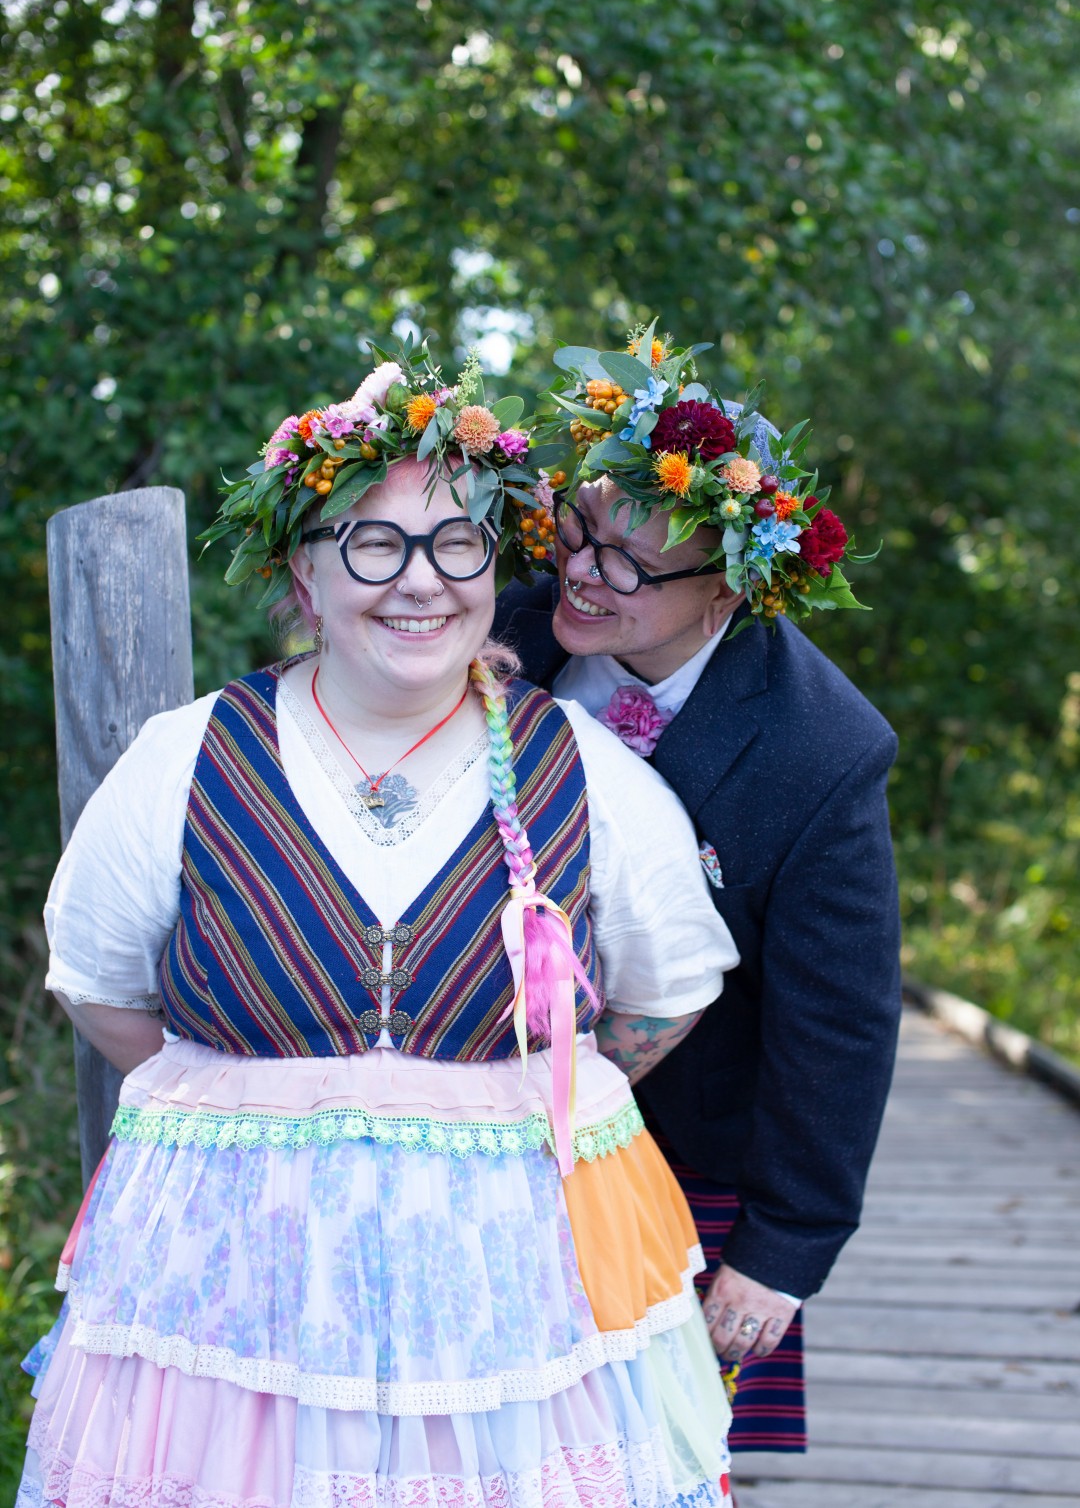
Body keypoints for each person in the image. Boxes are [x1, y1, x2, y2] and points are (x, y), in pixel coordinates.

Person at [19, 344, 742, 1508]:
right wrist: (243, 1107)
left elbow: (670, 984)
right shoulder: (189, 757)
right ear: (302, 579)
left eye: (456, 543)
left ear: (490, 565)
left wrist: (517, 1094)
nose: (421, 581)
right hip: (234, 1283)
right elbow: (98, 976)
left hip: (507, 1289)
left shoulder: (581, 768)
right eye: (372, 544)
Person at [494, 325, 902, 1455]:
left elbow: (843, 1022)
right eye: (582, 533)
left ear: (726, 588)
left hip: (689, 1156)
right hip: (472, 1119)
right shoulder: (498, 635)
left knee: (666, 1454)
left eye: (629, 563)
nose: (581, 570)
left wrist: (782, 1252)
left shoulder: (822, 752)